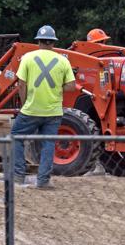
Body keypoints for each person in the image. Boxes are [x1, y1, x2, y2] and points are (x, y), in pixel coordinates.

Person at [11, 25, 78, 189]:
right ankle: (43, 181)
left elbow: (21, 84)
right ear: (53, 43)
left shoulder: (27, 58)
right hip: (53, 111)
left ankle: (18, 175)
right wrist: (55, 89)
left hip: (31, 109)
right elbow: (71, 86)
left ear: (38, 41)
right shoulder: (63, 60)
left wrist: (25, 102)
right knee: (48, 144)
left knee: (15, 136)